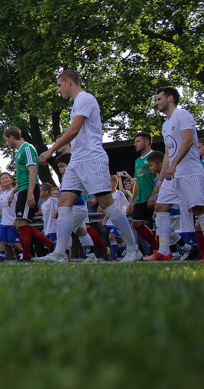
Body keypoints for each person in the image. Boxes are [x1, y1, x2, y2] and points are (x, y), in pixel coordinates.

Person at [36, 70, 140, 262]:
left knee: (106, 203)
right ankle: (59, 253)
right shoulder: (77, 103)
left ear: (69, 81)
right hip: (77, 159)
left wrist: (50, 150)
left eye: (59, 85)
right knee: (64, 202)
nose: (58, 90)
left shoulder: (85, 98)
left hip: (92, 158)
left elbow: (75, 129)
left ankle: (133, 249)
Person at [150, 87, 204, 261]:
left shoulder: (182, 115)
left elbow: (189, 140)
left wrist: (174, 165)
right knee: (161, 206)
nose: (157, 102)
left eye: (159, 99)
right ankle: (163, 251)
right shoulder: (165, 124)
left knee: (199, 209)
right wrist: (160, 180)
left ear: (170, 99)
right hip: (172, 174)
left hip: (189, 172)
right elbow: (168, 153)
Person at [4, 126, 53, 260]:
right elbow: (23, 175)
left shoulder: (27, 148)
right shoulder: (20, 152)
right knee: (21, 223)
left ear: (11, 137)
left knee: (23, 223)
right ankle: (50, 245)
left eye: (6, 140)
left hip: (28, 189)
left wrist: (31, 192)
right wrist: (14, 191)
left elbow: (33, 171)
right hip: (22, 189)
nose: (7, 143)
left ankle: (27, 256)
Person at [127, 131, 159, 252]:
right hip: (141, 199)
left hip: (153, 198)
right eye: (135, 142)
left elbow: (158, 178)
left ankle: (162, 251)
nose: (135, 144)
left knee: (159, 226)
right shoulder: (137, 161)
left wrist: (154, 195)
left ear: (147, 142)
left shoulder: (155, 156)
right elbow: (137, 183)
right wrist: (133, 200)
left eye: (138, 141)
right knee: (136, 223)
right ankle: (157, 247)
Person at [0, 172, 19, 262]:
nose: (5, 180)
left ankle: (24, 253)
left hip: (13, 221)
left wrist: (17, 219)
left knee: (14, 241)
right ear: (0, 183)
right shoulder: (1, 195)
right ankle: (1, 258)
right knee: (1, 240)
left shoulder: (16, 192)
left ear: (11, 180)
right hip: (4, 222)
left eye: (7, 178)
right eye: (2, 179)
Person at [38, 183, 57, 248]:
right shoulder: (43, 205)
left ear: (46, 192)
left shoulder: (53, 200)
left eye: (40, 191)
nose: (39, 193)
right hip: (47, 231)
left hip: (54, 230)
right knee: (49, 248)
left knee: (54, 247)